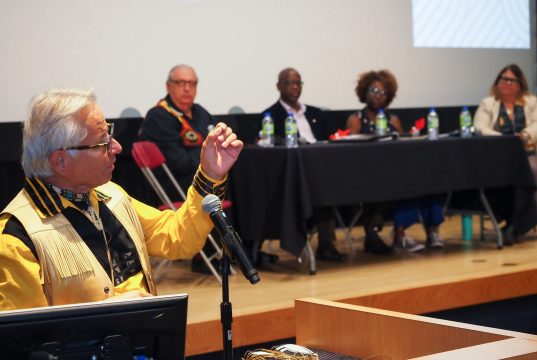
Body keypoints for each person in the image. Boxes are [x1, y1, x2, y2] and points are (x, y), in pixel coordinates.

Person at [0, 88, 243, 310]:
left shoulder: (111, 195)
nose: (116, 147)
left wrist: (210, 174)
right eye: (102, 143)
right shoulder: (16, 236)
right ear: (60, 160)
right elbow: (24, 339)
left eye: (111, 134)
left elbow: (177, 238)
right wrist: (110, 312)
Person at [347, 70, 444, 253]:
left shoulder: (394, 120)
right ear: (364, 93)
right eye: (373, 91)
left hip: (394, 171)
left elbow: (401, 150)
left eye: (382, 93)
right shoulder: (356, 120)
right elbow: (351, 153)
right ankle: (396, 235)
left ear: (388, 97)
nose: (378, 95)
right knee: (398, 184)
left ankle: (432, 231)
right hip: (369, 174)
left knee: (426, 180)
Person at [139, 64, 219, 274]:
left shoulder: (201, 113)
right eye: (180, 83)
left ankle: (245, 248)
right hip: (175, 185)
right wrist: (207, 158)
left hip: (199, 178)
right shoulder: (159, 116)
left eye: (191, 83)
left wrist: (208, 158)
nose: (186, 88)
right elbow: (179, 161)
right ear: (168, 86)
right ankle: (209, 256)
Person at [259, 67, 344, 263]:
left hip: (322, 170)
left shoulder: (315, 113)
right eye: (289, 82)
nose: (294, 87)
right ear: (278, 86)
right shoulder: (270, 116)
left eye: (298, 83)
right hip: (293, 175)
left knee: (331, 184)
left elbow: (327, 142)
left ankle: (326, 244)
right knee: (321, 187)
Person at [474, 63, 537, 244]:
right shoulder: (488, 104)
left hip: (529, 155)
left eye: (511, 80)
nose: (506, 83)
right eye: (503, 79)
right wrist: (506, 140)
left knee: (530, 170)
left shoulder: (531, 102)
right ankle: (518, 226)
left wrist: (525, 135)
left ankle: (513, 226)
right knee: (528, 175)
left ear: (519, 85)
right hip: (501, 160)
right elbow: (479, 128)